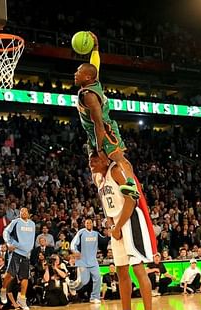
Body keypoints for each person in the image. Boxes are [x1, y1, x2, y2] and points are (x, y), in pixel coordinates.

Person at [89, 153, 158, 310]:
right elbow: (105, 205)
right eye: (89, 159)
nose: (90, 163)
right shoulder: (98, 178)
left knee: (138, 269)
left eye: (94, 159)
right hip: (117, 225)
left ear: (105, 159)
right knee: (121, 271)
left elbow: (131, 199)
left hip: (131, 221)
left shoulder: (117, 170)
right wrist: (112, 226)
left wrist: (118, 226)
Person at [74, 32, 140, 199]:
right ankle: (106, 186)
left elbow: (99, 124)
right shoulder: (94, 82)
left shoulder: (89, 95)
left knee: (117, 157)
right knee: (95, 163)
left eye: (78, 71)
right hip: (93, 132)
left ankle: (131, 184)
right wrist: (95, 47)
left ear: (87, 77)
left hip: (104, 129)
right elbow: (94, 65)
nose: (75, 73)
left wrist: (99, 146)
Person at [0, 207, 36, 310]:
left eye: (25, 211)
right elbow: (6, 232)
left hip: (26, 254)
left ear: (29, 214)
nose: (23, 212)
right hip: (16, 252)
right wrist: (8, 243)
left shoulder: (32, 224)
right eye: (21, 211)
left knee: (25, 278)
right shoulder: (15, 222)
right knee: (10, 274)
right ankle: (3, 290)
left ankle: (22, 299)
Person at [70, 219, 102, 304]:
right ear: (84, 224)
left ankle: (94, 297)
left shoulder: (96, 233)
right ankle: (72, 286)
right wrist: (75, 252)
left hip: (93, 261)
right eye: (87, 223)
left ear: (92, 224)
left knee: (98, 277)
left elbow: (103, 240)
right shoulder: (81, 232)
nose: (89, 224)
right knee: (84, 281)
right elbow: (73, 244)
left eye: (90, 222)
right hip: (82, 261)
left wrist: (109, 235)